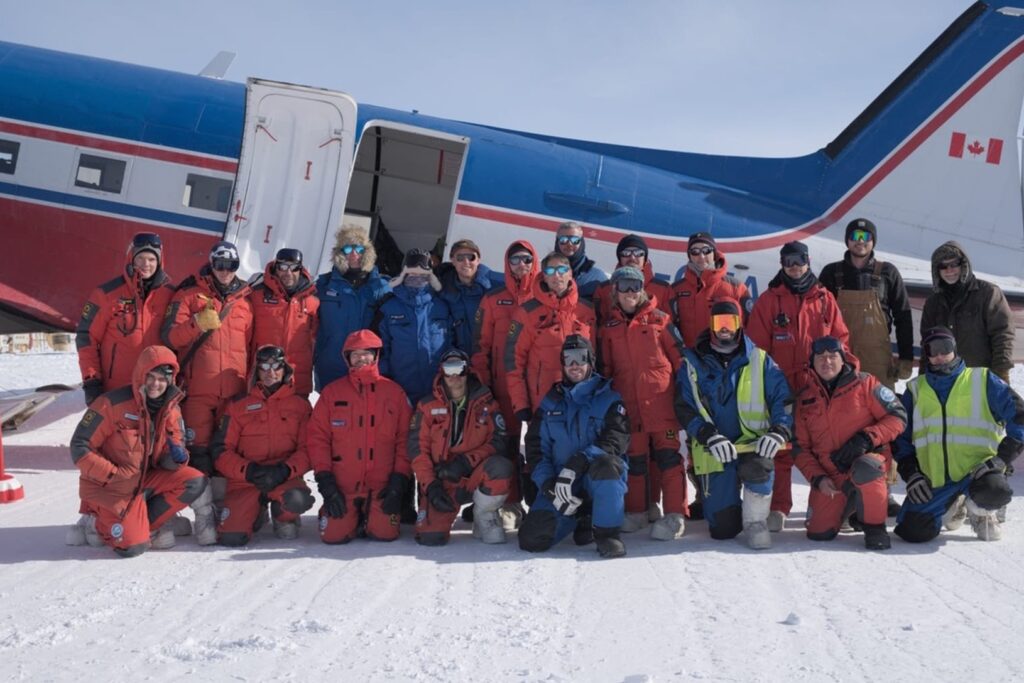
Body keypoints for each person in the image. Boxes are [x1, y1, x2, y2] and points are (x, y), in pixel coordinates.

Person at [747, 240, 849, 531]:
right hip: (782, 390)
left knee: (826, 448)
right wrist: (764, 386)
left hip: (818, 388)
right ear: (781, 264)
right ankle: (779, 508)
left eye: (799, 260)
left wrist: (844, 375)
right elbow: (756, 349)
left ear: (808, 262)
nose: (794, 267)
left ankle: (833, 505)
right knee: (781, 450)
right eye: (788, 261)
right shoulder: (769, 300)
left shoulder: (824, 299)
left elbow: (841, 341)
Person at [67, 346, 208, 557]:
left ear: (170, 380)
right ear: (141, 374)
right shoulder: (111, 403)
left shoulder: (172, 409)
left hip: (143, 482)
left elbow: (170, 456)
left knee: (194, 481)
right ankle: (97, 522)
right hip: (113, 488)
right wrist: (113, 475)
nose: (155, 384)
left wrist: (176, 458)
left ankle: (143, 522)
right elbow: (80, 446)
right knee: (132, 547)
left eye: (162, 379)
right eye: (150, 377)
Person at [676, 299, 793, 549]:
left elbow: (782, 399)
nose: (724, 329)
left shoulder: (759, 359)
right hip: (714, 447)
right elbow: (685, 407)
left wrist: (779, 430)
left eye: (730, 322)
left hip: (752, 445)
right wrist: (707, 434)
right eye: (719, 322)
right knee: (723, 530)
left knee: (758, 468)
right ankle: (723, 499)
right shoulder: (692, 363)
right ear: (711, 325)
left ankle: (755, 522)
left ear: (740, 324)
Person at [893, 327, 1024, 542]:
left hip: (980, 473)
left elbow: (1019, 416)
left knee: (995, 490)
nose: (940, 355)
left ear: (954, 348)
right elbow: (900, 437)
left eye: (945, 347)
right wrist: (912, 474)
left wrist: (1002, 458)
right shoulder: (916, 390)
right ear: (927, 354)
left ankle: (981, 511)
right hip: (937, 481)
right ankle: (954, 505)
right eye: (932, 350)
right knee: (912, 531)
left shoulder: (982, 380)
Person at [161, 240, 253, 544]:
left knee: (226, 450)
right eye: (220, 265)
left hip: (234, 392)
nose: (225, 271)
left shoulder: (245, 301)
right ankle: (202, 515)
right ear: (211, 265)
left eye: (231, 265)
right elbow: (170, 337)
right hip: (199, 391)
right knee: (198, 452)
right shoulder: (188, 295)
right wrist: (196, 324)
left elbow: (251, 347)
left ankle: (224, 511)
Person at [597, 266, 688, 539]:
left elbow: (681, 361)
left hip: (661, 405)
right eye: (624, 286)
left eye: (635, 286)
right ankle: (637, 511)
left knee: (669, 459)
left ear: (643, 290)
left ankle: (674, 514)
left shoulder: (661, 320)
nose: (630, 292)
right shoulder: (609, 329)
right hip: (629, 407)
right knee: (635, 460)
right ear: (615, 291)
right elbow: (605, 370)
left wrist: (684, 396)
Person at [519, 336, 631, 558]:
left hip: (593, 477)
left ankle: (607, 533)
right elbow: (536, 450)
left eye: (580, 357)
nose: (574, 365)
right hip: (561, 483)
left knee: (608, 465)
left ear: (591, 361)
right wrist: (548, 485)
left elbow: (615, 441)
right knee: (531, 539)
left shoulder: (610, 399)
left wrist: (580, 461)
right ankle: (576, 517)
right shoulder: (550, 403)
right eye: (568, 358)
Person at [792, 336, 907, 550]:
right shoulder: (805, 398)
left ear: (843, 358)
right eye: (820, 358)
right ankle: (853, 505)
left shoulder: (865, 383)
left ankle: (874, 527)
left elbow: (898, 416)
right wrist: (818, 478)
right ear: (812, 363)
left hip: (865, 462)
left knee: (867, 468)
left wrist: (867, 437)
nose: (827, 362)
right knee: (819, 533)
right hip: (830, 474)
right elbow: (800, 449)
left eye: (832, 356)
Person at [505, 251, 597, 505]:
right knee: (542, 453)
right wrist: (520, 403)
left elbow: (597, 358)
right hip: (542, 401)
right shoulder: (527, 312)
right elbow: (513, 361)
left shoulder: (586, 310)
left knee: (579, 452)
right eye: (550, 271)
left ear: (570, 273)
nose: (557, 276)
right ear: (542, 275)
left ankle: (581, 508)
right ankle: (541, 505)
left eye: (562, 270)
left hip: (579, 401)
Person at [306, 329, 413, 544]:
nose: (361, 358)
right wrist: (326, 482)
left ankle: (370, 516)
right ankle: (341, 514)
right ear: (347, 358)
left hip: (381, 486)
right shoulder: (332, 393)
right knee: (333, 537)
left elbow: (405, 440)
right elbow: (318, 438)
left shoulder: (394, 392)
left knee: (384, 534)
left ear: (376, 355)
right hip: (343, 486)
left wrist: (398, 481)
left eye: (366, 353)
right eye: (355, 354)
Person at [210, 346, 314, 545]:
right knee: (231, 538)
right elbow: (221, 450)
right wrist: (248, 471)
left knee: (297, 499)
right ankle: (256, 512)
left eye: (276, 367)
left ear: (285, 369)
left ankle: (283, 516)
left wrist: (285, 470)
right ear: (256, 371)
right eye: (264, 367)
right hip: (247, 479)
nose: (270, 373)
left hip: (284, 476)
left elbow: (309, 449)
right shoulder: (238, 405)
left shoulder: (300, 406)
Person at [408, 349, 513, 545]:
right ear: (442, 372)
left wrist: (465, 462)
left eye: (460, 368)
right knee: (431, 537)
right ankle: (436, 509)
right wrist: (431, 486)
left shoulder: (486, 403)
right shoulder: (426, 406)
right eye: (449, 369)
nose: (454, 375)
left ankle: (484, 514)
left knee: (501, 467)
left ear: (467, 371)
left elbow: (498, 441)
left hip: (473, 475)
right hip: (442, 480)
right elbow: (417, 450)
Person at [470, 240, 540, 523]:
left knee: (539, 445)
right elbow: (480, 347)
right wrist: (485, 386)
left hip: (538, 387)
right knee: (506, 445)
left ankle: (541, 505)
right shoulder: (493, 299)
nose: (521, 265)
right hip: (502, 388)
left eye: (526, 259)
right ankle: (510, 503)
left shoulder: (544, 296)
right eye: (515, 260)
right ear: (507, 264)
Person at [76, 232, 176, 405]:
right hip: (116, 390)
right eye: (140, 258)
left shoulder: (171, 295)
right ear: (131, 258)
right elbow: (86, 338)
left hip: (155, 390)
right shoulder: (106, 294)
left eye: (152, 259)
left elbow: (179, 338)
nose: (146, 264)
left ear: (160, 262)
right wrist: (92, 381)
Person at [818, 219, 914, 387]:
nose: (860, 241)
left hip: (877, 358)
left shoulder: (888, 272)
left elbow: (903, 317)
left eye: (866, 236)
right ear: (847, 240)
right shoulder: (831, 272)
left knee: (881, 400)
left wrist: (906, 357)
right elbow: (818, 317)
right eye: (855, 236)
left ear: (873, 241)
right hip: (840, 356)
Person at [920, 241, 1014, 383]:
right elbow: (927, 344)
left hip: (981, 379)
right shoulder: (933, 303)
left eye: (954, 264)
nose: (949, 270)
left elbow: (1003, 335)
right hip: (944, 382)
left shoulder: (988, 293)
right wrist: (923, 376)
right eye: (943, 266)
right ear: (936, 270)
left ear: (964, 265)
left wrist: (1001, 373)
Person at [313, 225, 391, 391]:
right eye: (348, 249)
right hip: (330, 365)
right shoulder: (324, 285)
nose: (354, 254)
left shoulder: (381, 287)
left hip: (366, 365)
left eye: (359, 249)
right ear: (340, 253)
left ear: (367, 252)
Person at [373, 248, 454, 405]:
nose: (417, 275)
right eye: (412, 270)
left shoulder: (442, 306)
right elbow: (380, 352)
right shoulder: (388, 308)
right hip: (400, 393)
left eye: (422, 271)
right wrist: (385, 384)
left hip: (437, 393)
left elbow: (453, 346)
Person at [249, 248, 319, 397]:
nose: (288, 272)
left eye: (294, 267)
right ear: (276, 267)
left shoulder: (313, 300)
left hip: (297, 378)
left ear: (300, 269)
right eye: (283, 266)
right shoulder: (257, 295)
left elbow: (316, 339)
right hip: (264, 374)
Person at [670, 231, 752, 347]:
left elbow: (751, 328)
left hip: (723, 355)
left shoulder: (736, 288)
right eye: (695, 251)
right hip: (689, 356)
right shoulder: (676, 290)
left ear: (714, 253)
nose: (701, 256)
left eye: (706, 250)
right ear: (689, 256)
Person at [438, 238, 504, 354]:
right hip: (460, 359)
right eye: (460, 258)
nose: (466, 262)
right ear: (453, 261)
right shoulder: (444, 290)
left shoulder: (499, 284)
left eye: (471, 257)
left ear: (478, 260)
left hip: (493, 359)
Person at [591, 234, 672, 325]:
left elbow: (670, 325)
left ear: (645, 258)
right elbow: (596, 326)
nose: (632, 258)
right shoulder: (603, 289)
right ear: (619, 258)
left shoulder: (664, 289)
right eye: (626, 253)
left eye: (638, 253)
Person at [554, 221, 608, 300]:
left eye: (575, 240)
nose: (569, 244)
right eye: (563, 240)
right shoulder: (548, 275)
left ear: (582, 243)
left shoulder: (597, 278)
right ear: (557, 242)